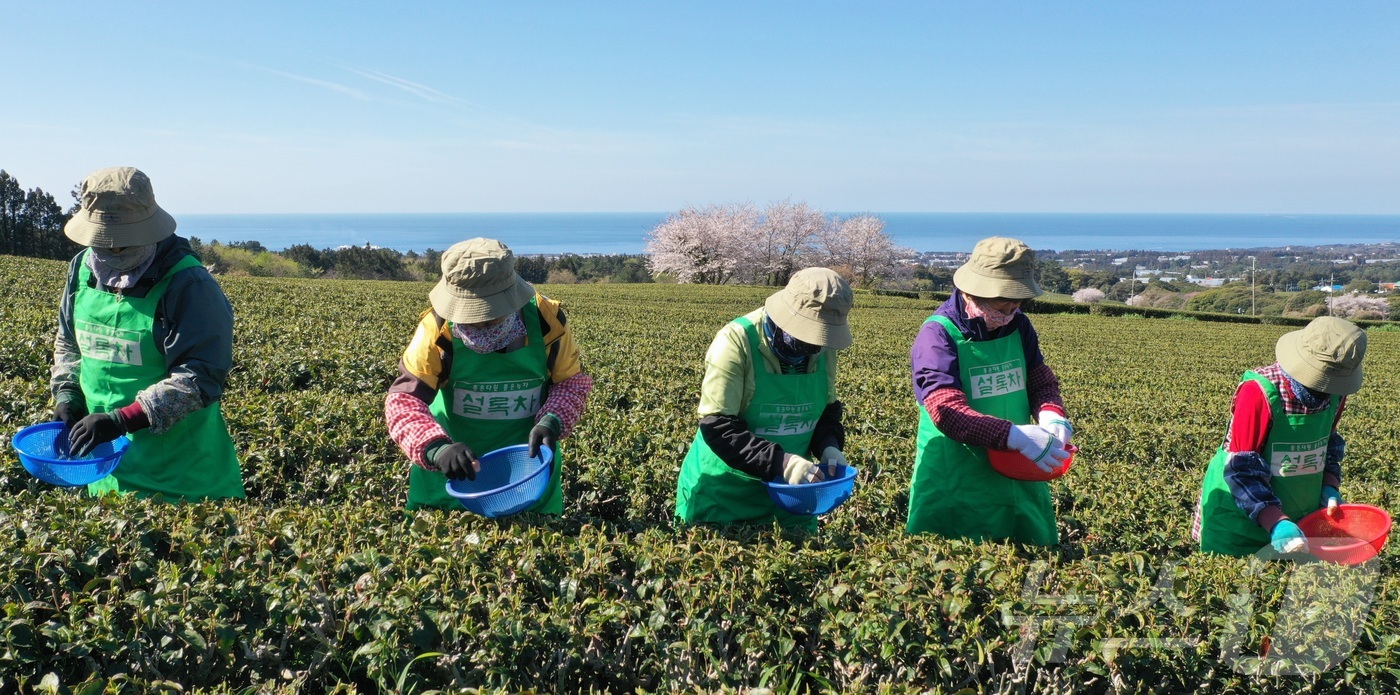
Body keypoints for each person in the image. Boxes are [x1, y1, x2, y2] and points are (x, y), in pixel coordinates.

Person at [51, 167, 243, 500]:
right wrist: (67, 394)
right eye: (104, 242)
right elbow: (69, 342)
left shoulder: (189, 285)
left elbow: (199, 378)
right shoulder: (81, 269)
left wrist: (122, 420)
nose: (114, 252)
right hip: (106, 470)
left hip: (182, 480)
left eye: (124, 242)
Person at [385, 238, 592, 512]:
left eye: (490, 316)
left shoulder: (547, 321)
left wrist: (553, 420)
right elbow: (403, 401)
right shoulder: (436, 329)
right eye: (469, 317)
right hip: (451, 479)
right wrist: (436, 448)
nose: (480, 324)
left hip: (528, 477)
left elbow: (570, 384)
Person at [907, 237, 1071, 545]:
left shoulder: (1019, 325)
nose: (1010, 310)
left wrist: (1051, 413)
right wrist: (1014, 436)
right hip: (957, 470)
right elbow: (946, 410)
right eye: (1002, 301)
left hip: (1017, 465)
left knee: (1026, 555)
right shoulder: (937, 334)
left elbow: (1039, 380)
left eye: (1017, 301)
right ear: (973, 291)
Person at [675, 268, 853, 530]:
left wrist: (829, 446)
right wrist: (783, 463)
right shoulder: (736, 341)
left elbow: (825, 413)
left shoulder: (823, 349)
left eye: (820, 339)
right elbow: (718, 427)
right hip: (726, 496)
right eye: (807, 338)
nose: (814, 348)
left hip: (793, 497)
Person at [1195, 316, 1366, 556]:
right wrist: (1275, 521)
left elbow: (1328, 445)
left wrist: (1329, 485)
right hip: (1240, 521)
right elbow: (1242, 468)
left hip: (1299, 520)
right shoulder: (1260, 391)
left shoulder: (1336, 392)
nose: (1324, 389)